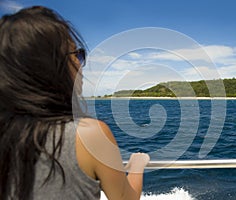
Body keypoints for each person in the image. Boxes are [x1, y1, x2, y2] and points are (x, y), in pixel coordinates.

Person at [0, 6, 150, 200]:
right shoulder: (89, 134)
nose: (81, 64)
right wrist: (137, 166)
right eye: (77, 55)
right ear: (50, 68)